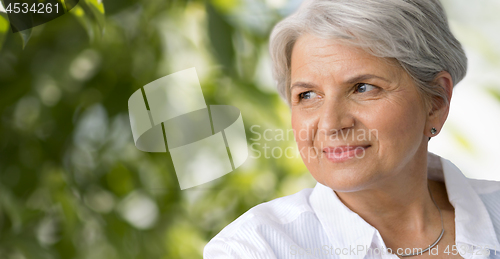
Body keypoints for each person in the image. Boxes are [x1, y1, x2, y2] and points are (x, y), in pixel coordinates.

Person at [204, 0, 500, 258]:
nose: (331, 124)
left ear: (435, 102)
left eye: (363, 88)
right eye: (307, 95)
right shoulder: (253, 249)